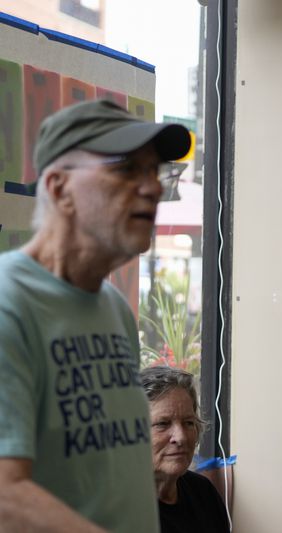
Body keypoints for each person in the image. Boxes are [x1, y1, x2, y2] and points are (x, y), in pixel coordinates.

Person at [0, 99, 191, 532]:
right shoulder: (10, 303)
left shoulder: (113, 309)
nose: (152, 188)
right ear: (59, 188)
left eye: (153, 171)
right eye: (126, 170)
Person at [140, 365, 230, 533]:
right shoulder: (118, 512)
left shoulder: (203, 493)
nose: (180, 437)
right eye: (162, 424)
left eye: (188, 422)